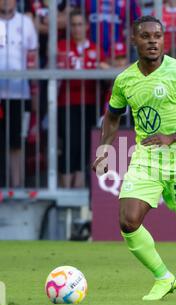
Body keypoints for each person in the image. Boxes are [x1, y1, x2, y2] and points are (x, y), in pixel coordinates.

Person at [92, 16, 176, 301]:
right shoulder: (125, 80)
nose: (152, 41)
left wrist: (172, 136)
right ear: (134, 40)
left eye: (157, 36)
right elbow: (113, 116)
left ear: (163, 40)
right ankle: (164, 277)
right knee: (128, 221)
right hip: (147, 156)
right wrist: (105, 148)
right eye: (145, 36)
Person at [57, 10, 98, 188]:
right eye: (73, 24)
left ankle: (78, 189)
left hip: (90, 102)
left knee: (85, 146)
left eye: (80, 24)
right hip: (66, 103)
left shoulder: (94, 48)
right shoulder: (61, 46)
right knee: (69, 146)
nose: (77, 28)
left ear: (87, 27)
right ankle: (66, 190)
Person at [0, 0, 38, 187]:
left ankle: (17, 186)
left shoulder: (26, 22)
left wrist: (35, 91)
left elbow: (33, 57)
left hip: (19, 94)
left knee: (17, 142)